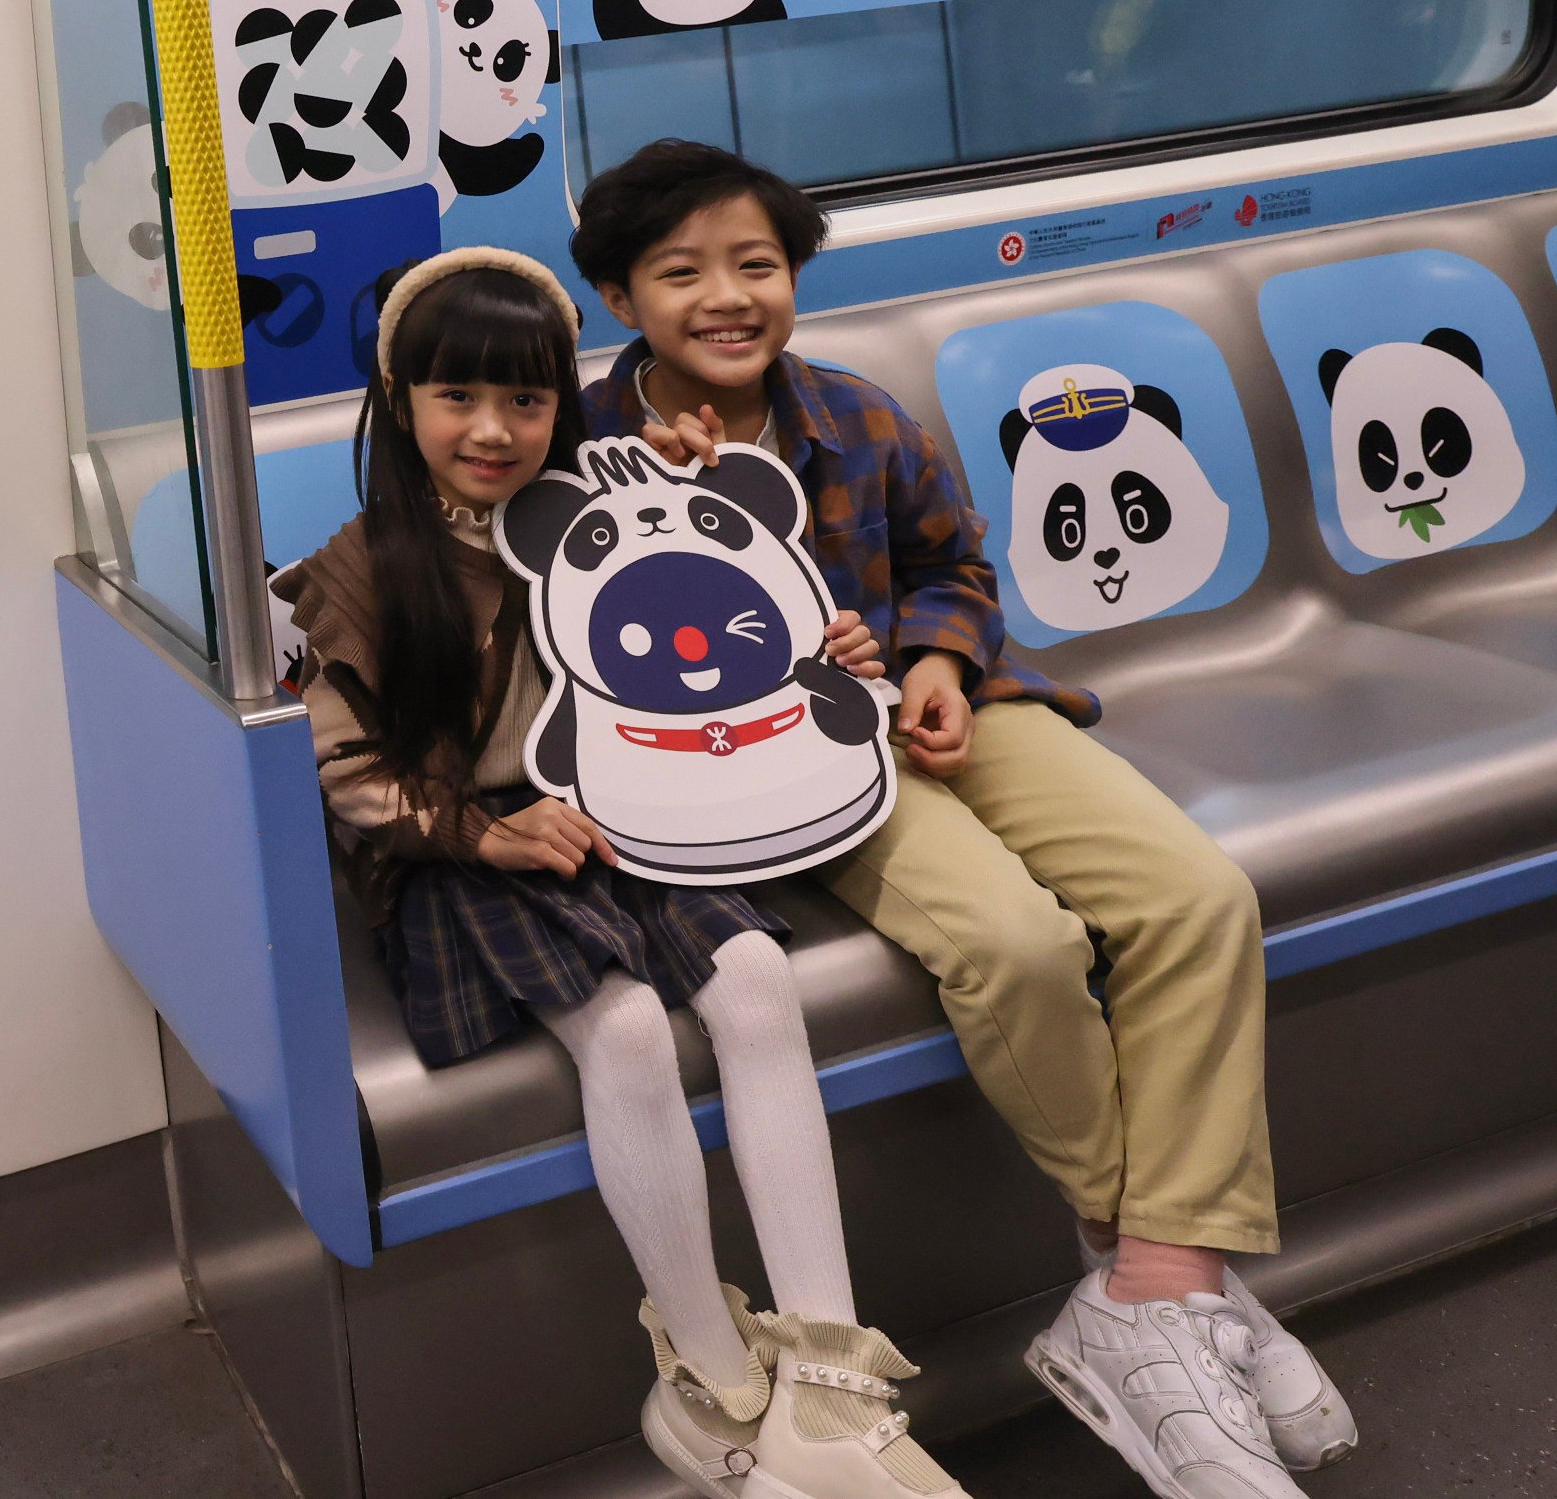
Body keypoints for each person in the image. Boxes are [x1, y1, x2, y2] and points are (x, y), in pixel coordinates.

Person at [569, 141, 1358, 1499]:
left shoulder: (855, 414)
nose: (727, 296)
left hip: (947, 708)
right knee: (1021, 946)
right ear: (619, 297)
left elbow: (952, 561)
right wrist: (668, 503)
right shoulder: (587, 457)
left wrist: (935, 662)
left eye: (756, 264)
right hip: (789, 767)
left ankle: (1154, 1290)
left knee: (1195, 897)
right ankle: (1159, 1274)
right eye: (680, 272)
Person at [278, 245, 965, 1499]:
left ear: (561, 401)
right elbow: (343, 770)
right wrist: (479, 830)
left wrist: (815, 637)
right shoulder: (366, 564)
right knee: (632, 1029)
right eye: (455, 398)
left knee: (757, 976)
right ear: (401, 404)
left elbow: (724, 633)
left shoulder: (601, 506)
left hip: (623, 816)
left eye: (525, 400)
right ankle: (709, 1379)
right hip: (465, 850)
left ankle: (826, 1379)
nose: (492, 430)